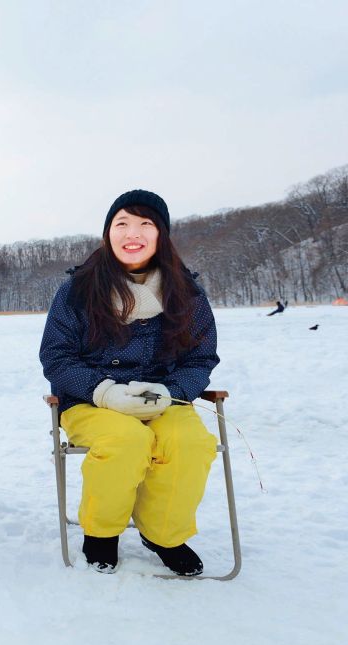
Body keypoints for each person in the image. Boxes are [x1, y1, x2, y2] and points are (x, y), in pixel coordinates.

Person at [39, 190, 220, 576]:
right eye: (121, 223)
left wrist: (171, 393)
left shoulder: (187, 294)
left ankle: (163, 533)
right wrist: (104, 391)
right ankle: (101, 533)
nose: (131, 233)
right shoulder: (78, 290)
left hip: (162, 398)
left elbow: (200, 358)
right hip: (90, 400)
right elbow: (56, 356)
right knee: (126, 440)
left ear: (161, 235)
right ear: (108, 233)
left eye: (145, 224)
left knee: (191, 442)